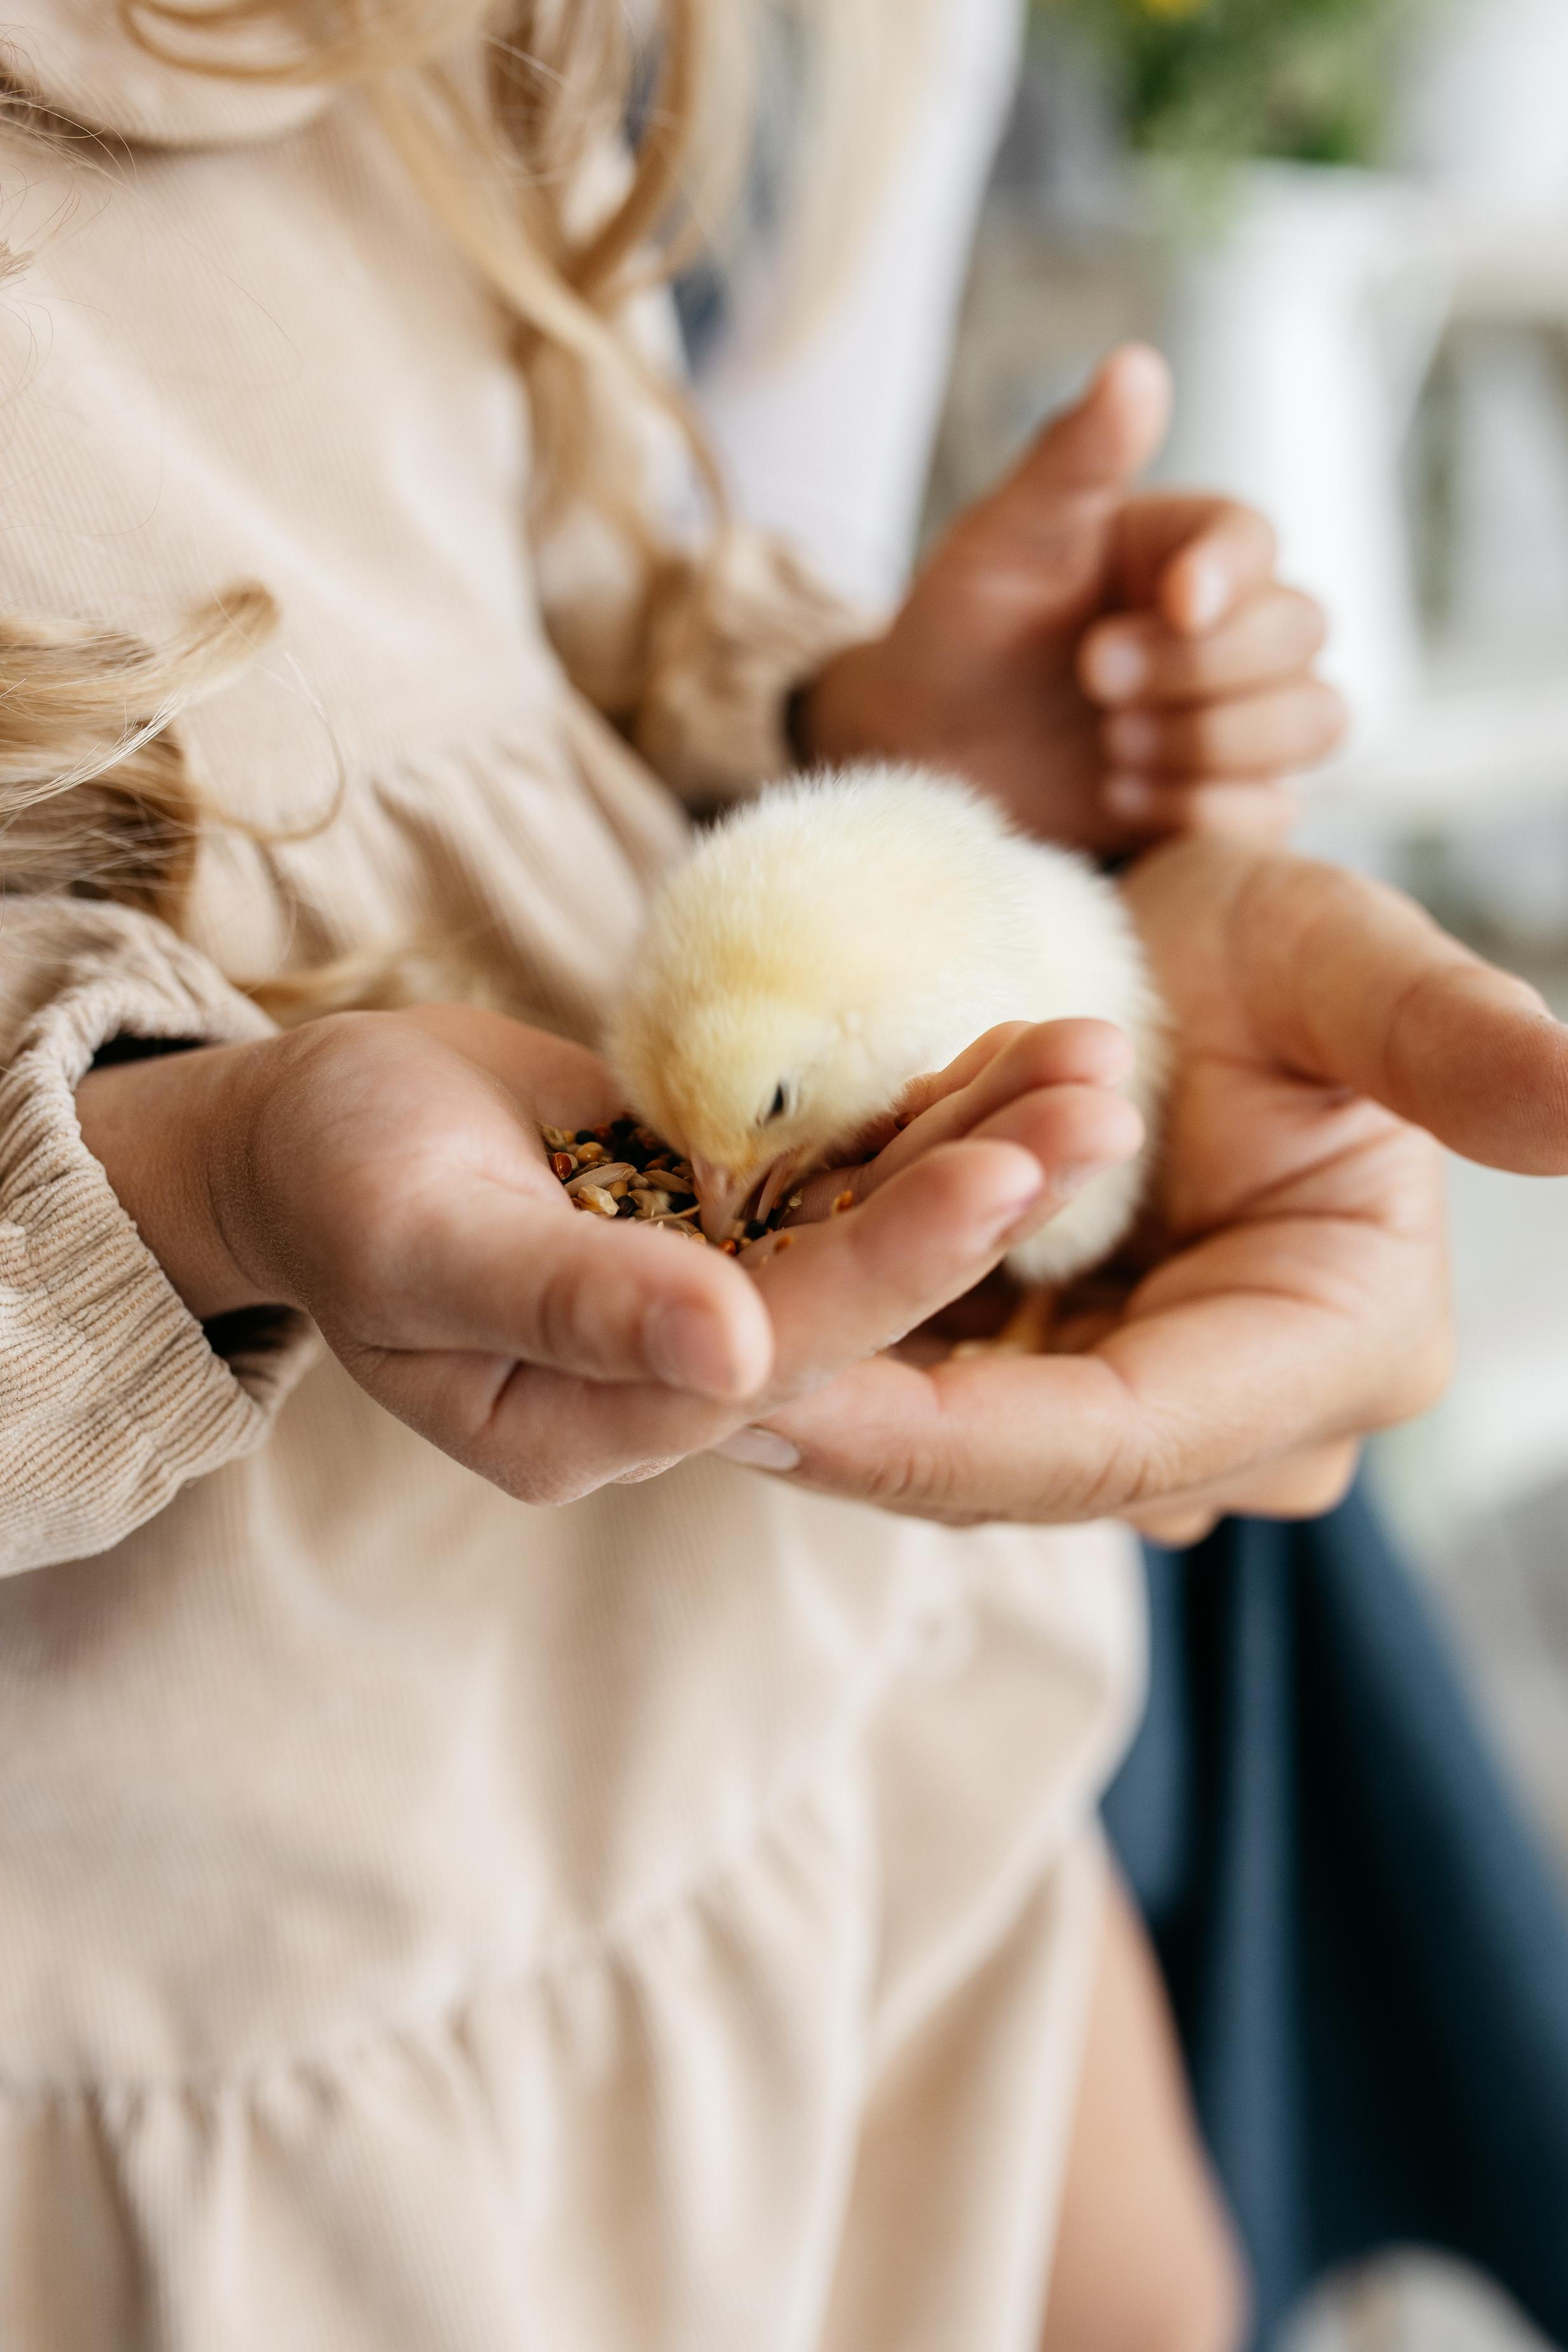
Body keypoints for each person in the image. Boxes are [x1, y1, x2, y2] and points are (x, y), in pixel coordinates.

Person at [2, 4, 1567, 2346]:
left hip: (825, 1744)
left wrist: (860, 750)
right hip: (271, 2036)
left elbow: (550, 642)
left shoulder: (386, 44)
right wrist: (195, 1170)